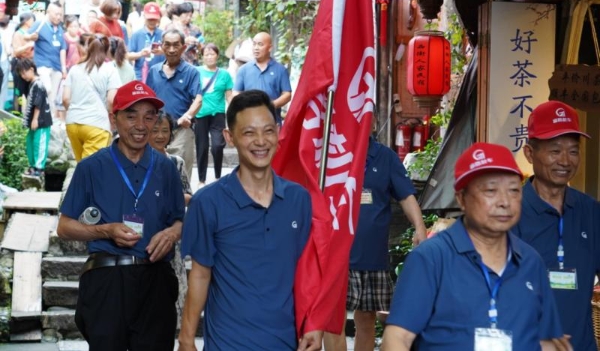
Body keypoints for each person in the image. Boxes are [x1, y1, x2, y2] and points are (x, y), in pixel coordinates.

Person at [381, 142, 570, 351]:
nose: (504, 202)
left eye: (514, 190)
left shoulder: (531, 261)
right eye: (491, 190)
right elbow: (397, 339)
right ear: (462, 198)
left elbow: (546, 340)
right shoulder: (431, 259)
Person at [178, 90, 322, 351]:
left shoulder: (299, 199)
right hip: (228, 342)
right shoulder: (207, 202)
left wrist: (313, 323)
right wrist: (186, 338)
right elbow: (200, 275)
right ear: (229, 138)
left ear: (278, 132)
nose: (260, 141)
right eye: (248, 133)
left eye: (268, 130)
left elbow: (307, 271)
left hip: (286, 342)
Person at [57, 80, 185, 351]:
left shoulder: (166, 168)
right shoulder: (91, 167)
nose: (141, 125)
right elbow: (64, 227)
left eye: (149, 117)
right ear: (114, 119)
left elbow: (179, 219)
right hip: (107, 278)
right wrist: (105, 230)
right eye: (131, 116)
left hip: (155, 278)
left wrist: (174, 231)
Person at [324, 129, 427, 351]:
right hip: (336, 254)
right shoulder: (330, 154)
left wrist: (420, 227)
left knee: (367, 320)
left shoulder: (385, 156)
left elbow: (406, 195)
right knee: (333, 323)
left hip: (373, 254)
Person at [512, 100, 600, 351]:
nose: (565, 160)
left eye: (573, 151)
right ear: (530, 153)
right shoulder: (507, 214)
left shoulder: (591, 212)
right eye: (554, 150)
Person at [148, 110, 192, 330]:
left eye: (164, 130)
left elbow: (189, 197)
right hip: (145, 236)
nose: (159, 135)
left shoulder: (177, 163)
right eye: (154, 130)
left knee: (176, 293)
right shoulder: (138, 163)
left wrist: (169, 196)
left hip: (173, 239)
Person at [146, 29, 202, 180]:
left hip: (181, 131)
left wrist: (188, 115)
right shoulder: (153, 71)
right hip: (157, 131)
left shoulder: (191, 72)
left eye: (176, 45)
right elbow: (147, 100)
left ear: (183, 47)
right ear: (162, 46)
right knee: (153, 176)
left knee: (180, 177)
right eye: (167, 45)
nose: (171, 50)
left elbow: (198, 99)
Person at [63, 33, 121, 161]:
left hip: (72, 123)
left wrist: (76, 111)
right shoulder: (110, 70)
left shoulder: (75, 69)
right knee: (91, 170)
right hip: (97, 125)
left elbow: (66, 99)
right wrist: (113, 119)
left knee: (82, 166)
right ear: (106, 51)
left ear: (88, 48)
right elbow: (111, 100)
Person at [194, 43, 232, 187]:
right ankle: (201, 179)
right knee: (201, 147)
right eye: (206, 54)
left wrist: (235, 113)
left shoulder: (224, 74)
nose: (209, 57)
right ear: (202, 57)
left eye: (212, 54)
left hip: (218, 114)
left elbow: (229, 96)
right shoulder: (196, 72)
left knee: (217, 145)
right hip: (200, 114)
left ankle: (217, 176)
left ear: (217, 55)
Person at [233, 32, 292, 125]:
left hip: (272, 121)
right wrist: (245, 105)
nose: (256, 48)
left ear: (270, 48)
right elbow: (236, 92)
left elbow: (287, 94)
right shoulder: (243, 70)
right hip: (248, 121)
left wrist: (271, 105)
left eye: (260, 44)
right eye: (254, 44)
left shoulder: (280, 70)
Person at [29, 2, 68, 119]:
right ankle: (35, 114)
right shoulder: (39, 24)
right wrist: (31, 37)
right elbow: (25, 36)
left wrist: (64, 68)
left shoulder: (60, 29)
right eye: (56, 14)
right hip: (42, 65)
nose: (58, 17)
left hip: (57, 67)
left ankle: (49, 120)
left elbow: (63, 49)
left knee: (53, 97)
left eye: (60, 14)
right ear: (49, 12)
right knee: (47, 88)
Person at [15, 58, 53, 177]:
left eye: (24, 72)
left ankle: (39, 168)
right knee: (31, 143)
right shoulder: (30, 84)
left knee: (40, 143)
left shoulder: (38, 84)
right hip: (33, 121)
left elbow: (38, 103)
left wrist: (35, 119)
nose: (23, 76)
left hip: (41, 121)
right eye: (21, 74)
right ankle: (33, 165)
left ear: (31, 69)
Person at [127, 2, 163, 82]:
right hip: (140, 76)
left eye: (154, 19)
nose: (152, 21)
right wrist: (140, 54)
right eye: (149, 19)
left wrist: (162, 52)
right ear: (144, 17)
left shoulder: (163, 34)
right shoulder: (136, 34)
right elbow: (128, 55)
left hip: (160, 76)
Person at [11, 12, 36, 110]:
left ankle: (26, 113)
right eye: (32, 20)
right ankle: (16, 112)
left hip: (29, 65)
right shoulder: (18, 34)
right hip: (19, 64)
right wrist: (28, 45)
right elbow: (16, 51)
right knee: (18, 91)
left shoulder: (31, 34)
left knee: (28, 90)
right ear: (27, 21)